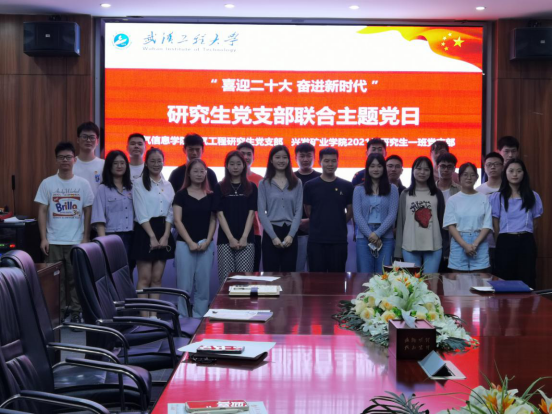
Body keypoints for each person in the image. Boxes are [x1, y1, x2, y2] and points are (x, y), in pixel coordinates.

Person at [35, 142, 93, 325]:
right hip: (53, 241)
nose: (65, 160)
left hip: (76, 241)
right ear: (56, 160)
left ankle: (76, 313)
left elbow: (88, 211)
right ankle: (57, 315)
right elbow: (42, 211)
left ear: (74, 160)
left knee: (76, 280)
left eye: (68, 157)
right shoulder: (47, 183)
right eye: (61, 157)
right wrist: (43, 238)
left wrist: (86, 238)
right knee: (54, 281)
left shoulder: (83, 184)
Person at [131, 147, 176, 318]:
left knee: (157, 278)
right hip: (145, 231)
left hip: (163, 230)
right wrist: (151, 236)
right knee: (145, 278)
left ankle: (154, 316)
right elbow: (140, 213)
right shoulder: (138, 183)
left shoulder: (168, 184)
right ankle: (144, 318)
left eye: (159, 161)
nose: (156, 164)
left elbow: (170, 212)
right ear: (146, 163)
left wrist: (166, 236)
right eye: (152, 161)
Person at [173, 159, 217, 317]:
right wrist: (190, 242)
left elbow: (213, 220)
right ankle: (183, 319)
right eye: (195, 171)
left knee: (203, 287)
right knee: (184, 287)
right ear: (189, 174)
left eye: (202, 171)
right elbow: (177, 221)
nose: (199, 174)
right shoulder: (181, 195)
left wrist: (208, 241)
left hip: (206, 245)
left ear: (206, 173)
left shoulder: (211, 196)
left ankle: (199, 318)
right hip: (185, 245)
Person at [491, 159, 543, 288]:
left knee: (527, 278)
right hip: (505, 240)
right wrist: (500, 241)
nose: (515, 174)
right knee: (504, 278)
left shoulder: (533, 196)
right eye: (511, 171)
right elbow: (495, 224)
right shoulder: (497, 196)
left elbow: (535, 222)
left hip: (526, 240)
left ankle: (528, 302)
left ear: (524, 173)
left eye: (519, 171)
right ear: (505, 173)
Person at [304, 147, 353, 272]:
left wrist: (338, 221)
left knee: (337, 279)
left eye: (333, 161)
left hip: (339, 240)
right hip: (316, 240)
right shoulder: (310, 185)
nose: (330, 164)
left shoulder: (347, 185)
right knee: (316, 279)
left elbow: (350, 211)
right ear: (320, 162)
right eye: (326, 161)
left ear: (337, 162)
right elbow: (308, 210)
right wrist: (319, 220)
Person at [395, 156, 446, 273]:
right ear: (413, 170)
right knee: (412, 282)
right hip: (409, 246)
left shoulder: (437, 193)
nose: (422, 172)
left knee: (430, 281)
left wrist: (446, 248)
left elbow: (442, 222)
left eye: (426, 169)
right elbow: (401, 223)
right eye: (419, 168)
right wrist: (398, 251)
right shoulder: (405, 194)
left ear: (431, 172)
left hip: (434, 246)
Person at [258, 145, 303, 272]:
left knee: (289, 276)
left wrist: (291, 235)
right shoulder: (264, 183)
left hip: (290, 231)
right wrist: (273, 237)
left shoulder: (297, 182)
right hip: (271, 231)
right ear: (271, 160)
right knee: (270, 275)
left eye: (284, 157)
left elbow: (299, 211)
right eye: (277, 157)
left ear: (289, 160)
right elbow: (261, 212)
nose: (281, 160)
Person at [215, 151, 257, 284]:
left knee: (245, 281)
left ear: (244, 165)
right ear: (226, 166)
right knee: (226, 281)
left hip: (247, 239)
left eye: (238, 164)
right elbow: (219, 214)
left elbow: (251, 213)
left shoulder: (251, 187)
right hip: (225, 240)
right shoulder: (219, 187)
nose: (235, 167)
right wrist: (231, 238)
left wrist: (244, 237)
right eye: (232, 164)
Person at [91, 150, 135, 276]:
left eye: (122, 163)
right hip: (111, 236)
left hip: (132, 236)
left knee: (128, 272)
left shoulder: (133, 187)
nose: (119, 166)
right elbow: (99, 219)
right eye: (115, 163)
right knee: (113, 274)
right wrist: (103, 242)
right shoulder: (103, 189)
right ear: (109, 166)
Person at [353, 153, 399, 273]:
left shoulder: (392, 189)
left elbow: (392, 215)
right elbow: (357, 215)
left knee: (384, 276)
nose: (376, 169)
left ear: (384, 168)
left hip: (386, 237)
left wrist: (377, 234)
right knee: (364, 275)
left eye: (379, 166)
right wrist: (370, 235)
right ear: (367, 168)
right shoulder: (358, 189)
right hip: (364, 237)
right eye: (372, 166)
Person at [443, 163, 492, 272]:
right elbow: (450, 225)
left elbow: (487, 224)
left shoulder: (483, 198)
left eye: (472, 175)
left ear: (477, 177)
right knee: (458, 279)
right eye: (465, 174)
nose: (469, 178)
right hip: (459, 242)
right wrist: (464, 245)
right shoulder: (452, 200)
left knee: (480, 279)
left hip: (480, 242)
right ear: (459, 177)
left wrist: (475, 244)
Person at [294, 143, 321, 271]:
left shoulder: (321, 178)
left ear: (314, 158)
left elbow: (324, 206)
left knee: (316, 272)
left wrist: (311, 220)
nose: (305, 159)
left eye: (309, 156)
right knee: (296, 272)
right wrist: (297, 222)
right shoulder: (290, 178)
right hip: (295, 233)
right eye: (302, 156)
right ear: (296, 158)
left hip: (317, 232)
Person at [237, 142, 264, 272]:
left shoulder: (260, 180)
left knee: (253, 274)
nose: (246, 157)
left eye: (249, 154)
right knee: (233, 276)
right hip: (233, 233)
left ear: (253, 157)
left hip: (255, 232)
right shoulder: (227, 181)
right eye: (243, 154)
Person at [476, 152, 504, 272]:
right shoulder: (478, 191)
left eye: (496, 164)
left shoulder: (509, 189)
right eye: (489, 164)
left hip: (504, 240)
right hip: (483, 242)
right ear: (484, 167)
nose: (493, 167)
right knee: (485, 277)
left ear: (502, 166)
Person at [73, 121, 105, 197]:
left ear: (97, 141)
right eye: (84, 136)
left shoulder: (104, 164)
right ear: (78, 139)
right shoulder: (69, 164)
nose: (88, 140)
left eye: (92, 137)